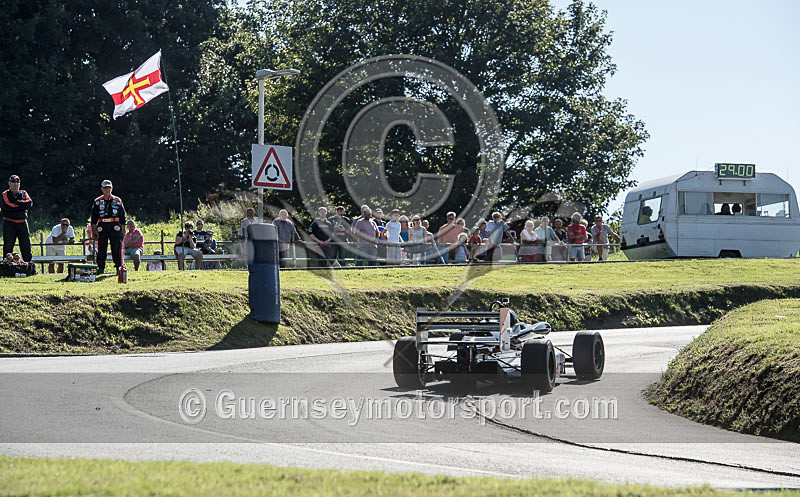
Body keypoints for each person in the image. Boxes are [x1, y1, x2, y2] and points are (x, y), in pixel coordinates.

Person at [90, 179, 127, 274]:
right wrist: (94, 231)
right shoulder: (97, 201)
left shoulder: (117, 200)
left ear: (112, 188)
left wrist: (123, 230)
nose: (107, 190)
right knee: (102, 247)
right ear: (102, 189)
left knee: (116, 247)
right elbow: (93, 218)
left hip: (115, 225)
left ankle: (118, 267)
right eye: (105, 188)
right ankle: (101, 267)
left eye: (109, 188)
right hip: (102, 225)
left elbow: (123, 217)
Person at [1, 175, 33, 262]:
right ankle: (6, 265)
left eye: (17, 182)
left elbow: (29, 203)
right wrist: (22, 206)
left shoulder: (24, 193)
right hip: (9, 223)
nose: (16, 184)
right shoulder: (5, 194)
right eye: (13, 182)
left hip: (23, 223)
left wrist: (16, 202)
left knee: (26, 245)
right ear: (9, 183)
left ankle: (28, 265)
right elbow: (8, 206)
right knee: (8, 245)